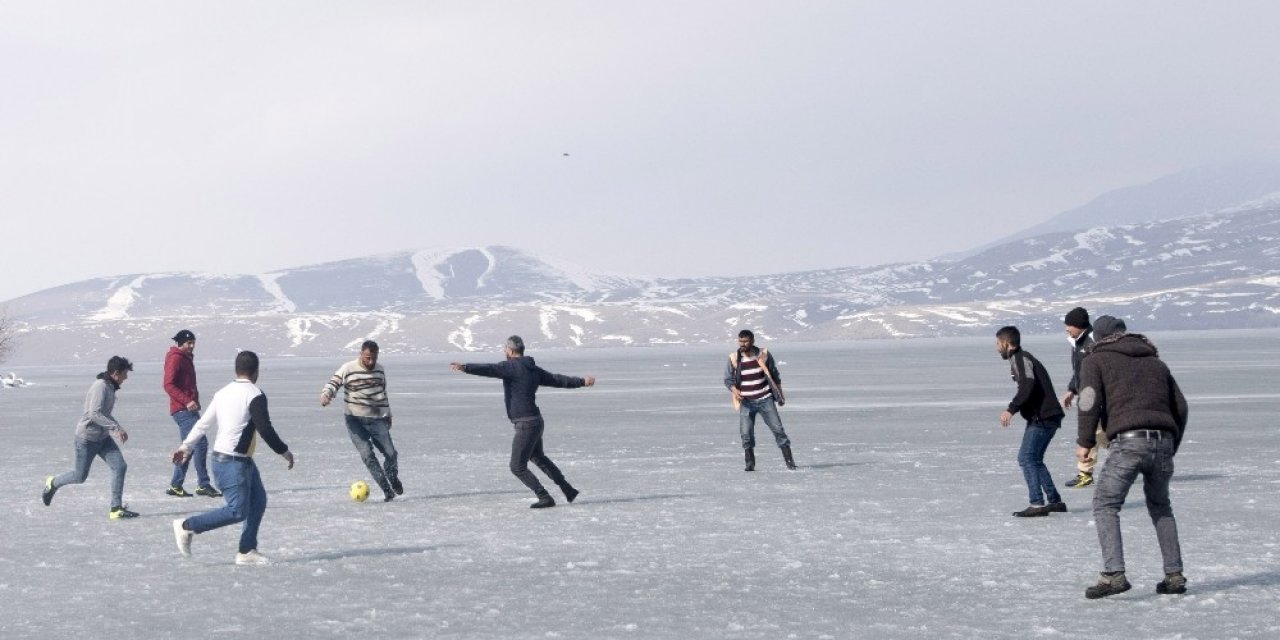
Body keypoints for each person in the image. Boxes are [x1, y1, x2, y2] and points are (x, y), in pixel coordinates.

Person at [1077, 316, 1188, 599]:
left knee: (1105, 504)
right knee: (1161, 506)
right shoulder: (1156, 363)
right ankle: (1174, 575)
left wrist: (1085, 442)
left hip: (1128, 441)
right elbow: (1181, 406)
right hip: (1163, 440)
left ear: (1098, 338)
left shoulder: (1096, 360)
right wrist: (1170, 445)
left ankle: (1114, 574)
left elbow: (1088, 400)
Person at [171, 351, 294, 565]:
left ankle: (246, 551)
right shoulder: (254, 394)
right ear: (256, 371)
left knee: (258, 501)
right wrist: (284, 451)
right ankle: (187, 526)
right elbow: (264, 428)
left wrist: (185, 446)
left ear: (236, 370)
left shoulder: (223, 392)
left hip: (233, 460)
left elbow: (202, 424)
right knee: (237, 511)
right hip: (233, 463)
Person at [450, 335, 593, 508]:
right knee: (538, 457)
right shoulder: (533, 369)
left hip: (525, 424)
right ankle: (567, 489)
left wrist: (465, 367)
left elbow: (488, 369)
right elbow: (557, 379)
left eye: (505, 349)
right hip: (535, 421)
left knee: (517, 466)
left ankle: (544, 496)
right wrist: (582, 382)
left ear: (510, 351)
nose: (504, 352)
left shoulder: (510, 367)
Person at [42, 356, 139, 519]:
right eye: (124, 374)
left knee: (120, 466)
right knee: (80, 477)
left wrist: (118, 428)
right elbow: (93, 414)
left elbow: (105, 414)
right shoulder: (100, 387)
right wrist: (115, 428)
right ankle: (53, 483)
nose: (126, 377)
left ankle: (116, 508)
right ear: (115, 373)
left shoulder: (110, 386)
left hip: (103, 439)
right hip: (86, 439)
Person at [995, 326, 1066, 517]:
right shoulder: (1020, 358)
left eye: (998, 344)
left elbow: (1028, 385)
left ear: (1007, 344)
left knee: (1026, 458)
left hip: (1043, 417)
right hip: (1046, 416)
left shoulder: (1021, 358)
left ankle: (1037, 504)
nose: (996, 348)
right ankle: (1055, 501)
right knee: (1034, 459)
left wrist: (1011, 409)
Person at [320, 340, 400, 502]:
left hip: (377, 418)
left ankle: (392, 478)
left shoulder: (380, 370)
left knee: (391, 454)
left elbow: (382, 393)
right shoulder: (348, 368)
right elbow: (334, 382)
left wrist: (388, 413)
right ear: (361, 354)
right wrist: (326, 394)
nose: (371, 361)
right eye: (367, 358)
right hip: (354, 420)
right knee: (367, 455)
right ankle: (386, 490)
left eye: (374, 358)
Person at [723, 329, 796, 471]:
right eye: (740, 341)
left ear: (752, 341)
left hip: (765, 399)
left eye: (746, 341)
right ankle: (750, 465)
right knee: (746, 434)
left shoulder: (763, 354)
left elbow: (775, 375)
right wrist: (734, 389)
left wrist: (780, 395)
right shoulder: (734, 358)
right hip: (746, 402)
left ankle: (790, 462)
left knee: (778, 430)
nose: (742, 344)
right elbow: (728, 379)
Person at [163, 329, 219, 498]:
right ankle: (203, 485)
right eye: (189, 343)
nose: (192, 346)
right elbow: (168, 384)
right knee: (200, 443)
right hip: (182, 410)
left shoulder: (185, 358)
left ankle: (176, 485)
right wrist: (187, 401)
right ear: (180, 343)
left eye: (193, 343)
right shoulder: (175, 358)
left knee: (188, 446)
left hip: (188, 408)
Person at [1061, 308, 1100, 488]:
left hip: (1095, 397)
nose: (1066, 329)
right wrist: (1072, 389)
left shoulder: (1092, 341)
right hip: (1085, 394)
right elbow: (1079, 371)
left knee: (1094, 433)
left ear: (1078, 325)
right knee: (1093, 433)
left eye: (1069, 325)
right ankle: (1085, 473)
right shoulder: (1078, 341)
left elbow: (1097, 370)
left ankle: (1085, 473)